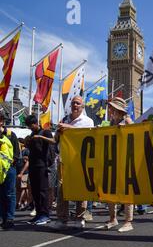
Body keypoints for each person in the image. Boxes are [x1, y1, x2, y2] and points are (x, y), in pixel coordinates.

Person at [53, 95, 94, 230]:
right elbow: (55, 139)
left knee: (80, 189)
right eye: (73, 103)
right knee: (62, 189)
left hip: (80, 160)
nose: (74, 105)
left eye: (77, 103)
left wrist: (68, 127)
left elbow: (89, 135)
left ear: (82, 106)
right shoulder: (64, 119)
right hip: (64, 159)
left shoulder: (88, 121)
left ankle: (79, 217)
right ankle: (62, 219)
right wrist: (59, 131)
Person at [103, 97, 135, 233]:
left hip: (125, 159)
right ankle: (112, 218)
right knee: (110, 190)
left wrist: (126, 129)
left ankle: (128, 221)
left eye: (112, 107)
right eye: (110, 107)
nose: (110, 109)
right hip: (113, 158)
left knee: (127, 191)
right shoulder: (110, 122)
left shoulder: (127, 120)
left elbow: (135, 134)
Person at [24, 115, 55, 226]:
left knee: (43, 191)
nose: (30, 128)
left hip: (42, 165)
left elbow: (53, 141)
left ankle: (45, 215)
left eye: (31, 125)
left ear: (36, 123)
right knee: (35, 191)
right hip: (33, 165)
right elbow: (29, 147)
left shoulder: (45, 132)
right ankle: (38, 213)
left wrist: (40, 137)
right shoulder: (32, 134)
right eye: (28, 126)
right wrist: (27, 141)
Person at [0, 111, 19, 230]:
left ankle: (10, 218)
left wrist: (10, 163)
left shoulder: (11, 134)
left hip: (9, 169)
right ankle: (3, 218)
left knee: (9, 193)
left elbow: (17, 154)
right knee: (1, 194)